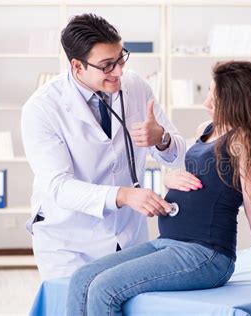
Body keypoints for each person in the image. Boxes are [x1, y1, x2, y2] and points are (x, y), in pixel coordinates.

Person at [66, 61, 251, 315]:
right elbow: (194, 179)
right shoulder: (205, 130)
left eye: (216, 98)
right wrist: (169, 179)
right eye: (208, 93)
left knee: (104, 289)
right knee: (82, 279)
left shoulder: (243, 142)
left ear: (237, 101)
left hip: (206, 254)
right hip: (167, 243)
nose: (207, 103)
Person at [21, 13, 186, 280]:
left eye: (121, 58)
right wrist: (123, 195)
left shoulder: (135, 86)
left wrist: (162, 139)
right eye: (107, 65)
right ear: (77, 66)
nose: (119, 71)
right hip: (70, 242)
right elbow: (58, 186)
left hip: (128, 234)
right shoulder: (41, 109)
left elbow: (179, 155)